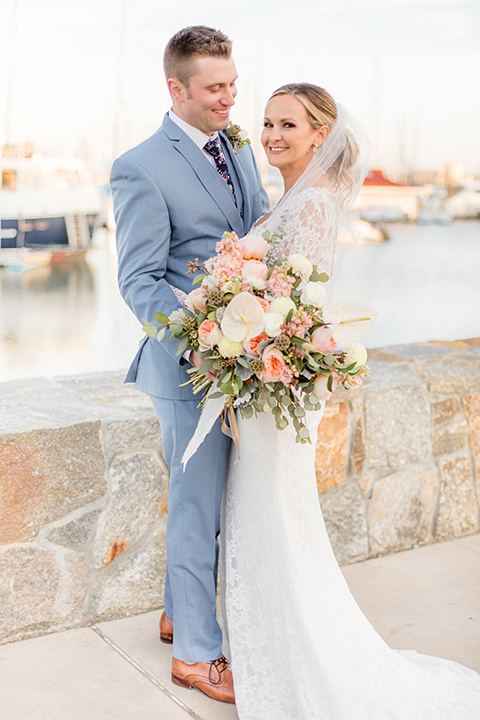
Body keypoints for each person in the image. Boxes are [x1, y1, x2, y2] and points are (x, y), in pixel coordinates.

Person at [220, 83, 480, 719]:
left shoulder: (309, 207)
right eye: (268, 123)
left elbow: (293, 312)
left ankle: (309, 663)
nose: (274, 135)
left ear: (319, 134)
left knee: (278, 516)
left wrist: (238, 349)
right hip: (266, 385)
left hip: (275, 387)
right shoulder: (295, 199)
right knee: (270, 517)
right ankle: (273, 650)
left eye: (289, 125)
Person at [110, 25, 268, 703]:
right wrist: (200, 339)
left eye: (232, 84)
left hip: (244, 360)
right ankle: (198, 656)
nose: (230, 99)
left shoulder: (237, 144)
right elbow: (139, 281)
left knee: (220, 506)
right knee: (197, 508)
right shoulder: (140, 165)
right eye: (214, 89)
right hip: (186, 371)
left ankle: (181, 612)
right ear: (176, 88)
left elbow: (257, 225)